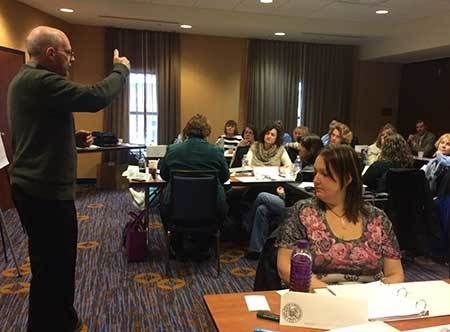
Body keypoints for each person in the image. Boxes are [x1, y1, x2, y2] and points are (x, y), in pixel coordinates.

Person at [8, 26, 130, 331]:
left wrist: (69, 137)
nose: (72, 59)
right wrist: (121, 69)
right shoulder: (40, 81)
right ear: (51, 53)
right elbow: (95, 97)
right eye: (69, 53)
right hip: (45, 193)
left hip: (35, 188)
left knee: (53, 266)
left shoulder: (26, 80)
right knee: (53, 268)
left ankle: (63, 320)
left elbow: (37, 131)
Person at [276, 145, 404, 289]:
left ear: (347, 178)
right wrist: (330, 294)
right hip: (318, 295)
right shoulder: (303, 212)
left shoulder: (377, 218)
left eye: (324, 174)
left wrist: (378, 292)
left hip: (368, 299)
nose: (316, 179)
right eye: (316, 172)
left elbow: (395, 274)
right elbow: (285, 268)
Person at [159, 114, 229, 255]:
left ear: (187, 131)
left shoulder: (173, 150)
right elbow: (224, 177)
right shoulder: (215, 152)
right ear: (206, 132)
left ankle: (176, 245)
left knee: (164, 201)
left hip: (176, 210)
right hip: (210, 211)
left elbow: (164, 175)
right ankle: (204, 246)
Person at [245, 135, 323, 259]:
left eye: (302, 148)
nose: (299, 151)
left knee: (262, 196)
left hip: (294, 207)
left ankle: (246, 223)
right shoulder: (307, 166)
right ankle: (256, 250)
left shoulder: (309, 171)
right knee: (262, 209)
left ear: (309, 151)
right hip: (291, 201)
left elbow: (298, 197)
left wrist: (283, 193)